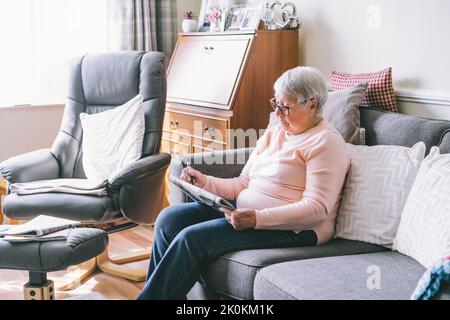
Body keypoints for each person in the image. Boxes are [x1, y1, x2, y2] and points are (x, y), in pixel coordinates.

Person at [137, 66, 351, 300]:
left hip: (297, 229)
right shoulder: (275, 133)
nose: (278, 114)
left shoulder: (326, 143)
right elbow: (243, 184)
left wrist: (258, 219)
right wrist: (205, 182)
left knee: (192, 239)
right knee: (169, 219)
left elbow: (317, 209)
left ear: (312, 104)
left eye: (285, 107)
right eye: (276, 104)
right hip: (247, 213)